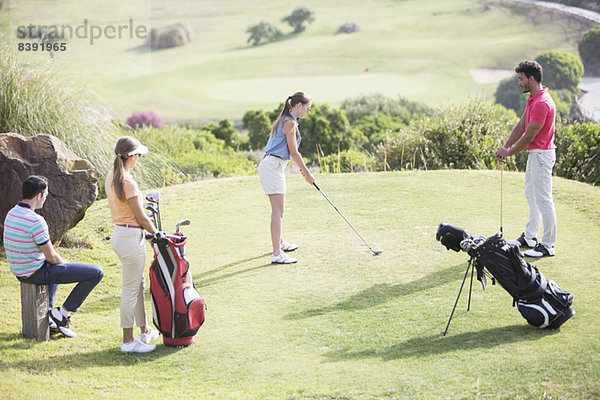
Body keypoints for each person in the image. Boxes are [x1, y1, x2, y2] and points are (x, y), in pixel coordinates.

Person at [3, 175, 104, 338]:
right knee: (96, 272)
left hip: (20, 271)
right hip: (34, 273)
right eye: (46, 195)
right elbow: (52, 258)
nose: (45, 199)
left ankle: (50, 316)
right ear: (39, 196)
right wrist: (65, 264)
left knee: (55, 269)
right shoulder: (36, 221)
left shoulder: (12, 214)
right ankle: (62, 313)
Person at [495, 60, 557, 258]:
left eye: (521, 79)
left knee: (544, 200)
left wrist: (509, 153)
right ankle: (531, 237)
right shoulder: (533, 98)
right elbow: (521, 126)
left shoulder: (542, 102)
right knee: (532, 197)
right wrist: (505, 147)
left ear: (532, 78)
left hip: (542, 155)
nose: (519, 83)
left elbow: (529, 135)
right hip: (535, 155)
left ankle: (548, 245)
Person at [106, 136, 161, 353]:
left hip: (122, 236)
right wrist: (156, 233)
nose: (139, 159)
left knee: (138, 285)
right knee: (130, 290)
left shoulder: (112, 176)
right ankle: (127, 342)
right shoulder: (127, 181)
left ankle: (144, 330)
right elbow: (141, 217)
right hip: (130, 239)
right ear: (132, 157)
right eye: (138, 155)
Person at [258, 92, 315, 264]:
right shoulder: (289, 122)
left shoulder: (288, 119)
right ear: (298, 105)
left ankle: (280, 242)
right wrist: (307, 172)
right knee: (278, 211)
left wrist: (302, 170)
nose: (308, 111)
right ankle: (277, 254)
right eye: (307, 108)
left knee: (279, 210)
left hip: (274, 166)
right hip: (272, 167)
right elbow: (293, 152)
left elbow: (288, 153)